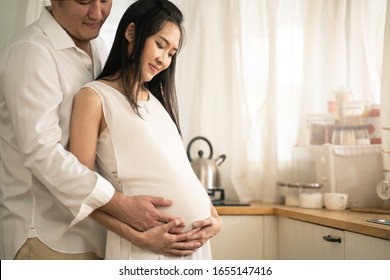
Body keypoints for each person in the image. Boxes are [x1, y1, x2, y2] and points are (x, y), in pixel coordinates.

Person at [0, 0, 217, 260]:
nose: (97, 12)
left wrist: (208, 211)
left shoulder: (99, 49)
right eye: (84, 1)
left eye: (105, 1)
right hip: (50, 235)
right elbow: (42, 153)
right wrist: (123, 208)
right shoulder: (32, 51)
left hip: (98, 236)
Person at [69, 0, 222, 260]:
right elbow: (78, 188)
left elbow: (180, 168)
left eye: (171, 53)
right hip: (144, 249)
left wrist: (214, 218)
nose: (164, 59)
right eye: (159, 45)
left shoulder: (157, 102)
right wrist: (138, 236)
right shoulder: (94, 97)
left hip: (194, 249)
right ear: (131, 33)